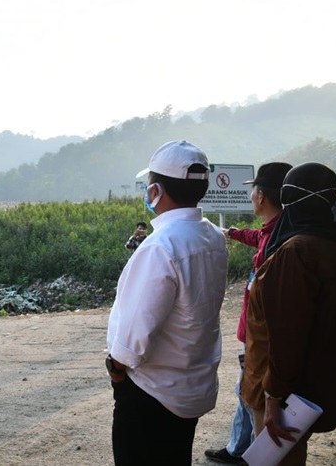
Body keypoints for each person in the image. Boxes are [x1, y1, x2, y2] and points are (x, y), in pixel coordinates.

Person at [106, 140, 229, 465]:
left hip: (151, 392)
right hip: (189, 387)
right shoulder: (213, 235)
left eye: (149, 185)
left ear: (156, 190)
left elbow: (133, 339)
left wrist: (117, 371)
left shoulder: (160, 247)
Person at [241, 162, 336, 465]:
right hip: (311, 378)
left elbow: (287, 334)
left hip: (279, 387)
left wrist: (274, 398)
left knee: (277, 458)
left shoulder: (295, 252)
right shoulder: (334, 243)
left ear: (288, 198)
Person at [204, 162, 292, 464]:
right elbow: (255, 237)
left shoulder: (281, 242)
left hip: (260, 338)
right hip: (253, 334)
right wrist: (228, 231)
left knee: (253, 394)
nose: (251, 195)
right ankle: (240, 448)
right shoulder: (277, 229)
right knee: (247, 390)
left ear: (262, 196)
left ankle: (251, 454)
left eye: (253, 189)